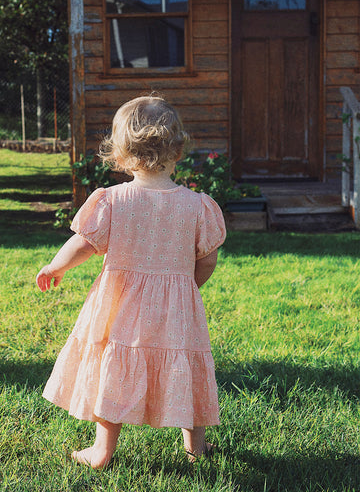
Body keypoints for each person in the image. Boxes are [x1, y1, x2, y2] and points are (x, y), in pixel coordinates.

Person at [36, 96, 226, 468]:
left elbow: (84, 244)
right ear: (177, 149)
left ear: (122, 153)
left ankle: (102, 451)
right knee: (183, 365)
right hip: (176, 310)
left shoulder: (111, 201)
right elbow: (208, 259)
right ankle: (196, 449)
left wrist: (55, 267)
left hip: (119, 305)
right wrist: (186, 287)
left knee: (115, 366)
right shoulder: (197, 205)